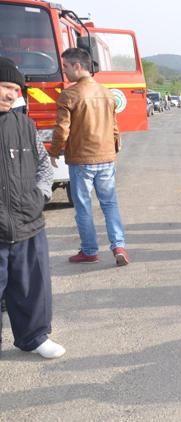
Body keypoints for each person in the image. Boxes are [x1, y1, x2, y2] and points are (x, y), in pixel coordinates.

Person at [0, 57, 65, 358]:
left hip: (28, 222)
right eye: (4, 86)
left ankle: (34, 337)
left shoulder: (26, 125)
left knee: (31, 287)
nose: (10, 94)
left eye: (15, 88)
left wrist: (40, 196)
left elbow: (44, 165)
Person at [50, 48, 130, 266]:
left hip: (81, 160)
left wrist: (54, 152)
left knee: (83, 207)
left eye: (66, 66)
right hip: (106, 157)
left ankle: (89, 251)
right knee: (110, 204)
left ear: (78, 66)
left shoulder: (69, 95)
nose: (64, 72)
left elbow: (61, 130)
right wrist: (115, 146)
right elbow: (114, 126)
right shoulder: (107, 93)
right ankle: (119, 246)